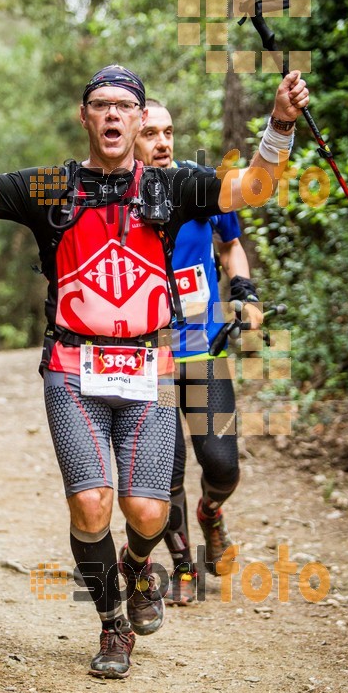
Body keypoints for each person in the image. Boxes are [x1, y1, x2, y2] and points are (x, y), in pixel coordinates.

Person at [0, 64, 308, 678]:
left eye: (126, 105)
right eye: (101, 104)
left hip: (150, 368)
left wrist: (281, 121)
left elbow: (253, 188)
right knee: (92, 505)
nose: (114, 115)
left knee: (148, 514)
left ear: (138, 116)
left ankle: (138, 564)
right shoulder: (51, 188)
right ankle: (113, 624)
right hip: (72, 368)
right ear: (85, 116)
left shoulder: (172, 188)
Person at [135, 100, 263, 606]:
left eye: (169, 131)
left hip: (201, 344)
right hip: (148, 351)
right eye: (151, 134)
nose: (163, 142)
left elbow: (230, 246)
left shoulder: (203, 184)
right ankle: (184, 564)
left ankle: (211, 510)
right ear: (131, 140)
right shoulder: (118, 198)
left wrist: (245, 291)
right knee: (166, 472)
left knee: (223, 464)